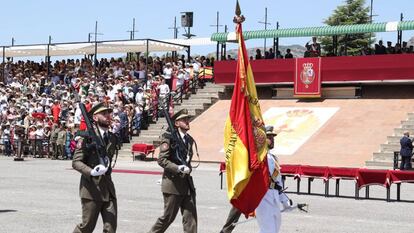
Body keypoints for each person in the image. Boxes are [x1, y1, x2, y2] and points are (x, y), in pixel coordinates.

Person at [219, 126, 291, 233]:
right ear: (262, 138)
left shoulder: (274, 158)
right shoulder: (257, 158)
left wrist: (284, 199)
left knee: (275, 227)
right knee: (268, 229)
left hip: (274, 197)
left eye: (273, 137)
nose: (272, 140)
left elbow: (277, 182)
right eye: (269, 137)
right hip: (262, 197)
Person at [148, 109, 197, 233]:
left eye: (188, 119)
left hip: (187, 185)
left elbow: (186, 160)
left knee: (191, 219)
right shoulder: (169, 139)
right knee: (168, 218)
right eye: (184, 119)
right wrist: (178, 168)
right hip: (173, 185)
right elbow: (162, 160)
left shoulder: (189, 140)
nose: (187, 121)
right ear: (176, 123)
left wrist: (187, 168)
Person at [72, 102, 118, 233]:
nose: (108, 116)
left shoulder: (112, 138)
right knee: (87, 227)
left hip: (108, 189)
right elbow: (76, 162)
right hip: (91, 189)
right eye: (104, 114)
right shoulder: (87, 137)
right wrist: (91, 171)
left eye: (109, 113)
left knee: (110, 228)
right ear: (95, 118)